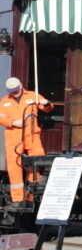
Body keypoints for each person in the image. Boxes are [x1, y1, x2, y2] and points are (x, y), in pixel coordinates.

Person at [0, 77, 52, 205]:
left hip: (32, 134)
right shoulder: (4, 101)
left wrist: (47, 103)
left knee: (36, 161)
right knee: (14, 166)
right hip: (13, 136)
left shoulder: (32, 95)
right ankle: (17, 199)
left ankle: (32, 195)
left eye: (16, 89)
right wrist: (13, 122)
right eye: (12, 90)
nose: (15, 92)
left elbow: (47, 107)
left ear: (21, 85)